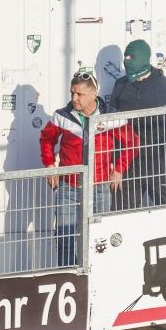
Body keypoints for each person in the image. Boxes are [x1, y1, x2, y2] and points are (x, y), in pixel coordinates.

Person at [39, 71, 138, 265]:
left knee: (99, 240)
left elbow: (133, 142)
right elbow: (46, 139)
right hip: (69, 187)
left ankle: (99, 280)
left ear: (94, 94)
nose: (74, 98)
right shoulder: (62, 116)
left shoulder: (111, 117)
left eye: (79, 94)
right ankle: (69, 277)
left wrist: (119, 168)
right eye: (72, 93)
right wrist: (50, 165)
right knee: (66, 240)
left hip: (100, 187)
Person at [109, 40, 166, 208]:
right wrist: (113, 162)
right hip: (127, 162)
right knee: (123, 213)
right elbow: (110, 126)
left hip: (159, 160)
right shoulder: (120, 85)